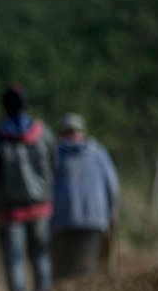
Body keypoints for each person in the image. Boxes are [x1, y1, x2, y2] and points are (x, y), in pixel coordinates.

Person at [0, 85, 56, 291]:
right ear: (27, 106)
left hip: (9, 212)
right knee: (41, 257)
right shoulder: (43, 134)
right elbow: (54, 164)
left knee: (14, 262)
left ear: (4, 109)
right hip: (40, 208)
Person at [50, 112, 119, 280]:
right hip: (93, 220)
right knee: (84, 270)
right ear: (83, 133)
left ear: (61, 133)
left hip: (61, 221)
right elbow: (113, 186)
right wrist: (112, 216)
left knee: (61, 273)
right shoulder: (98, 153)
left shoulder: (55, 154)